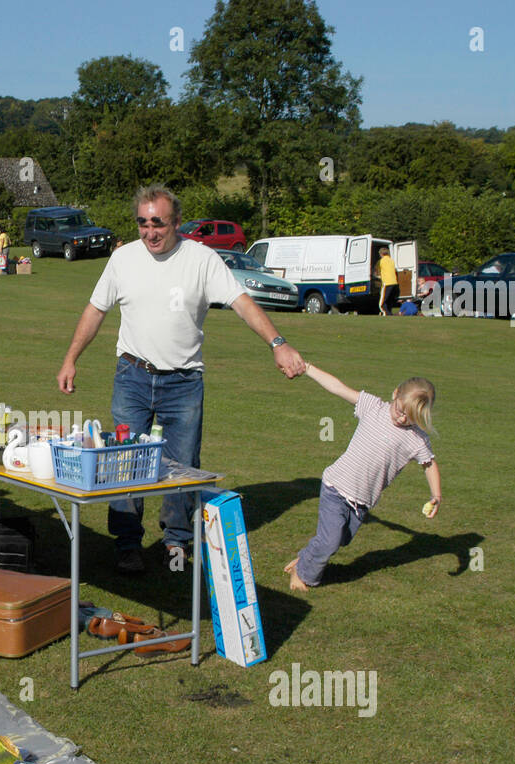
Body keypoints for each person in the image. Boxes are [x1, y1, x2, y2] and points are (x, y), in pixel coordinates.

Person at [57, 184, 305, 574]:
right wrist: (71, 358)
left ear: (176, 222)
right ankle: (127, 545)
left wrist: (278, 343)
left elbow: (242, 303)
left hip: (184, 381)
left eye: (159, 223)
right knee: (125, 462)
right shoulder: (122, 259)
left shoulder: (202, 260)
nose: (150, 232)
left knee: (183, 466)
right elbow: (95, 310)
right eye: (143, 223)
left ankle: (176, 542)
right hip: (132, 376)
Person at [285, 363, 441, 591]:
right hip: (336, 487)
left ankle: (305, 558)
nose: (402, 418)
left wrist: (435, 494)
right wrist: (308, 368)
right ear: (395, 394)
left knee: (340, 539)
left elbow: (429, 464)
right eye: (400, 410)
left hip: (362, 501)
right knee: (329, 540)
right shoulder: (374, 407)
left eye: (410, 417)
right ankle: (303, 575)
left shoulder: (416, 440)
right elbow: (338, 388)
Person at [377, 247, 398, 316]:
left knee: (382, 302)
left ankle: (385, 313)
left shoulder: (382, 261)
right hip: (394, 282)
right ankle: (389, 312)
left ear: (381, 254)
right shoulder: (391, 260)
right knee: (389, 300)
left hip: (387, 282)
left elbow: (378, 271)